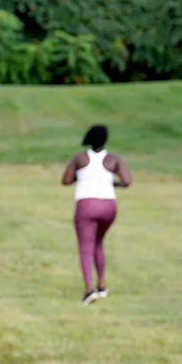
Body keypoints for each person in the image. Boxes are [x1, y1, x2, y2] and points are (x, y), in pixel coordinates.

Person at [62, 125, 132, 305]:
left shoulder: (80, 158)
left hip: (86, 204)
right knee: (98, 243)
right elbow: (127, 181)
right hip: (108, 205)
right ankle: (102, 284)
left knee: (85, 247)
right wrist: (111, 183)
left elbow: (66, 180)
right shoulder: (114, 159)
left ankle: (89, 288)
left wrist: (82, 176)